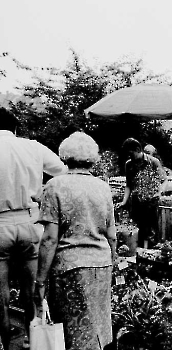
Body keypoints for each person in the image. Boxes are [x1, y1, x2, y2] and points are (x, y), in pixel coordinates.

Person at [34, 132, 116, 350]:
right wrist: (112, 260)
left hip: (70, 268)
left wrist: (40, 281)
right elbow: (112, 235)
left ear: (65, 154)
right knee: (99, 327)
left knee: (74, 331)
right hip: (101, 264)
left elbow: (50, 239)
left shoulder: (54, 186)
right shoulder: (103, 187)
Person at [0, 108, 67, 349]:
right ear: (15, 128)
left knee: (2, 294)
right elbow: (62, 172)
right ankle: (32, 339)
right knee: (32, 287)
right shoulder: (32, 146)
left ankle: (6, 343)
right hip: (30, 220)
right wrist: (42, 193)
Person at [117, 138, 167, 248]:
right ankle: (138, 254)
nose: (130, 157)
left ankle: (150, 253)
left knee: (150, 232)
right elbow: (129, 185)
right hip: (136, 203)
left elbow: (164, 179)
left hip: (151, 202)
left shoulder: (153, 162)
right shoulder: (128, 165)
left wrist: (160, 192)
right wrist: (124, 201)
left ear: (138, 149)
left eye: (131, 154)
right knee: (137, 230)